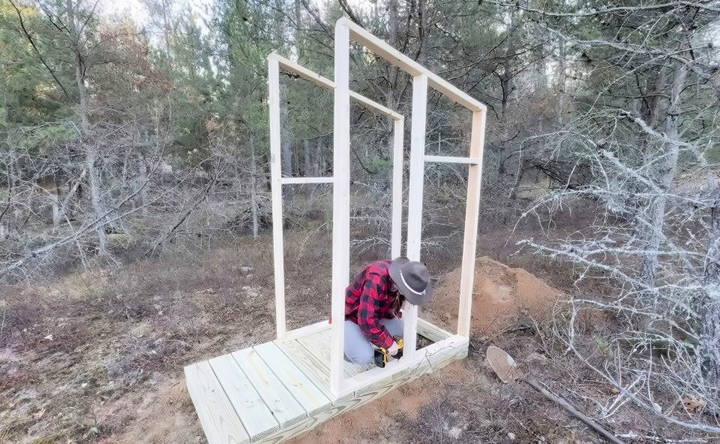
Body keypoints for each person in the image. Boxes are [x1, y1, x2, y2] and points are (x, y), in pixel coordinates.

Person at [344, 257, 433, 365]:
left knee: (402, 333)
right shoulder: (376, 278)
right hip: (351, 317)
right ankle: (347, 349)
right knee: (364, 356)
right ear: (402, 287)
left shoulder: (405, 277)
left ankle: (368, 338)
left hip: (378, 314)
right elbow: (366, 320)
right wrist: (389, 344)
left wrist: (404, 302)